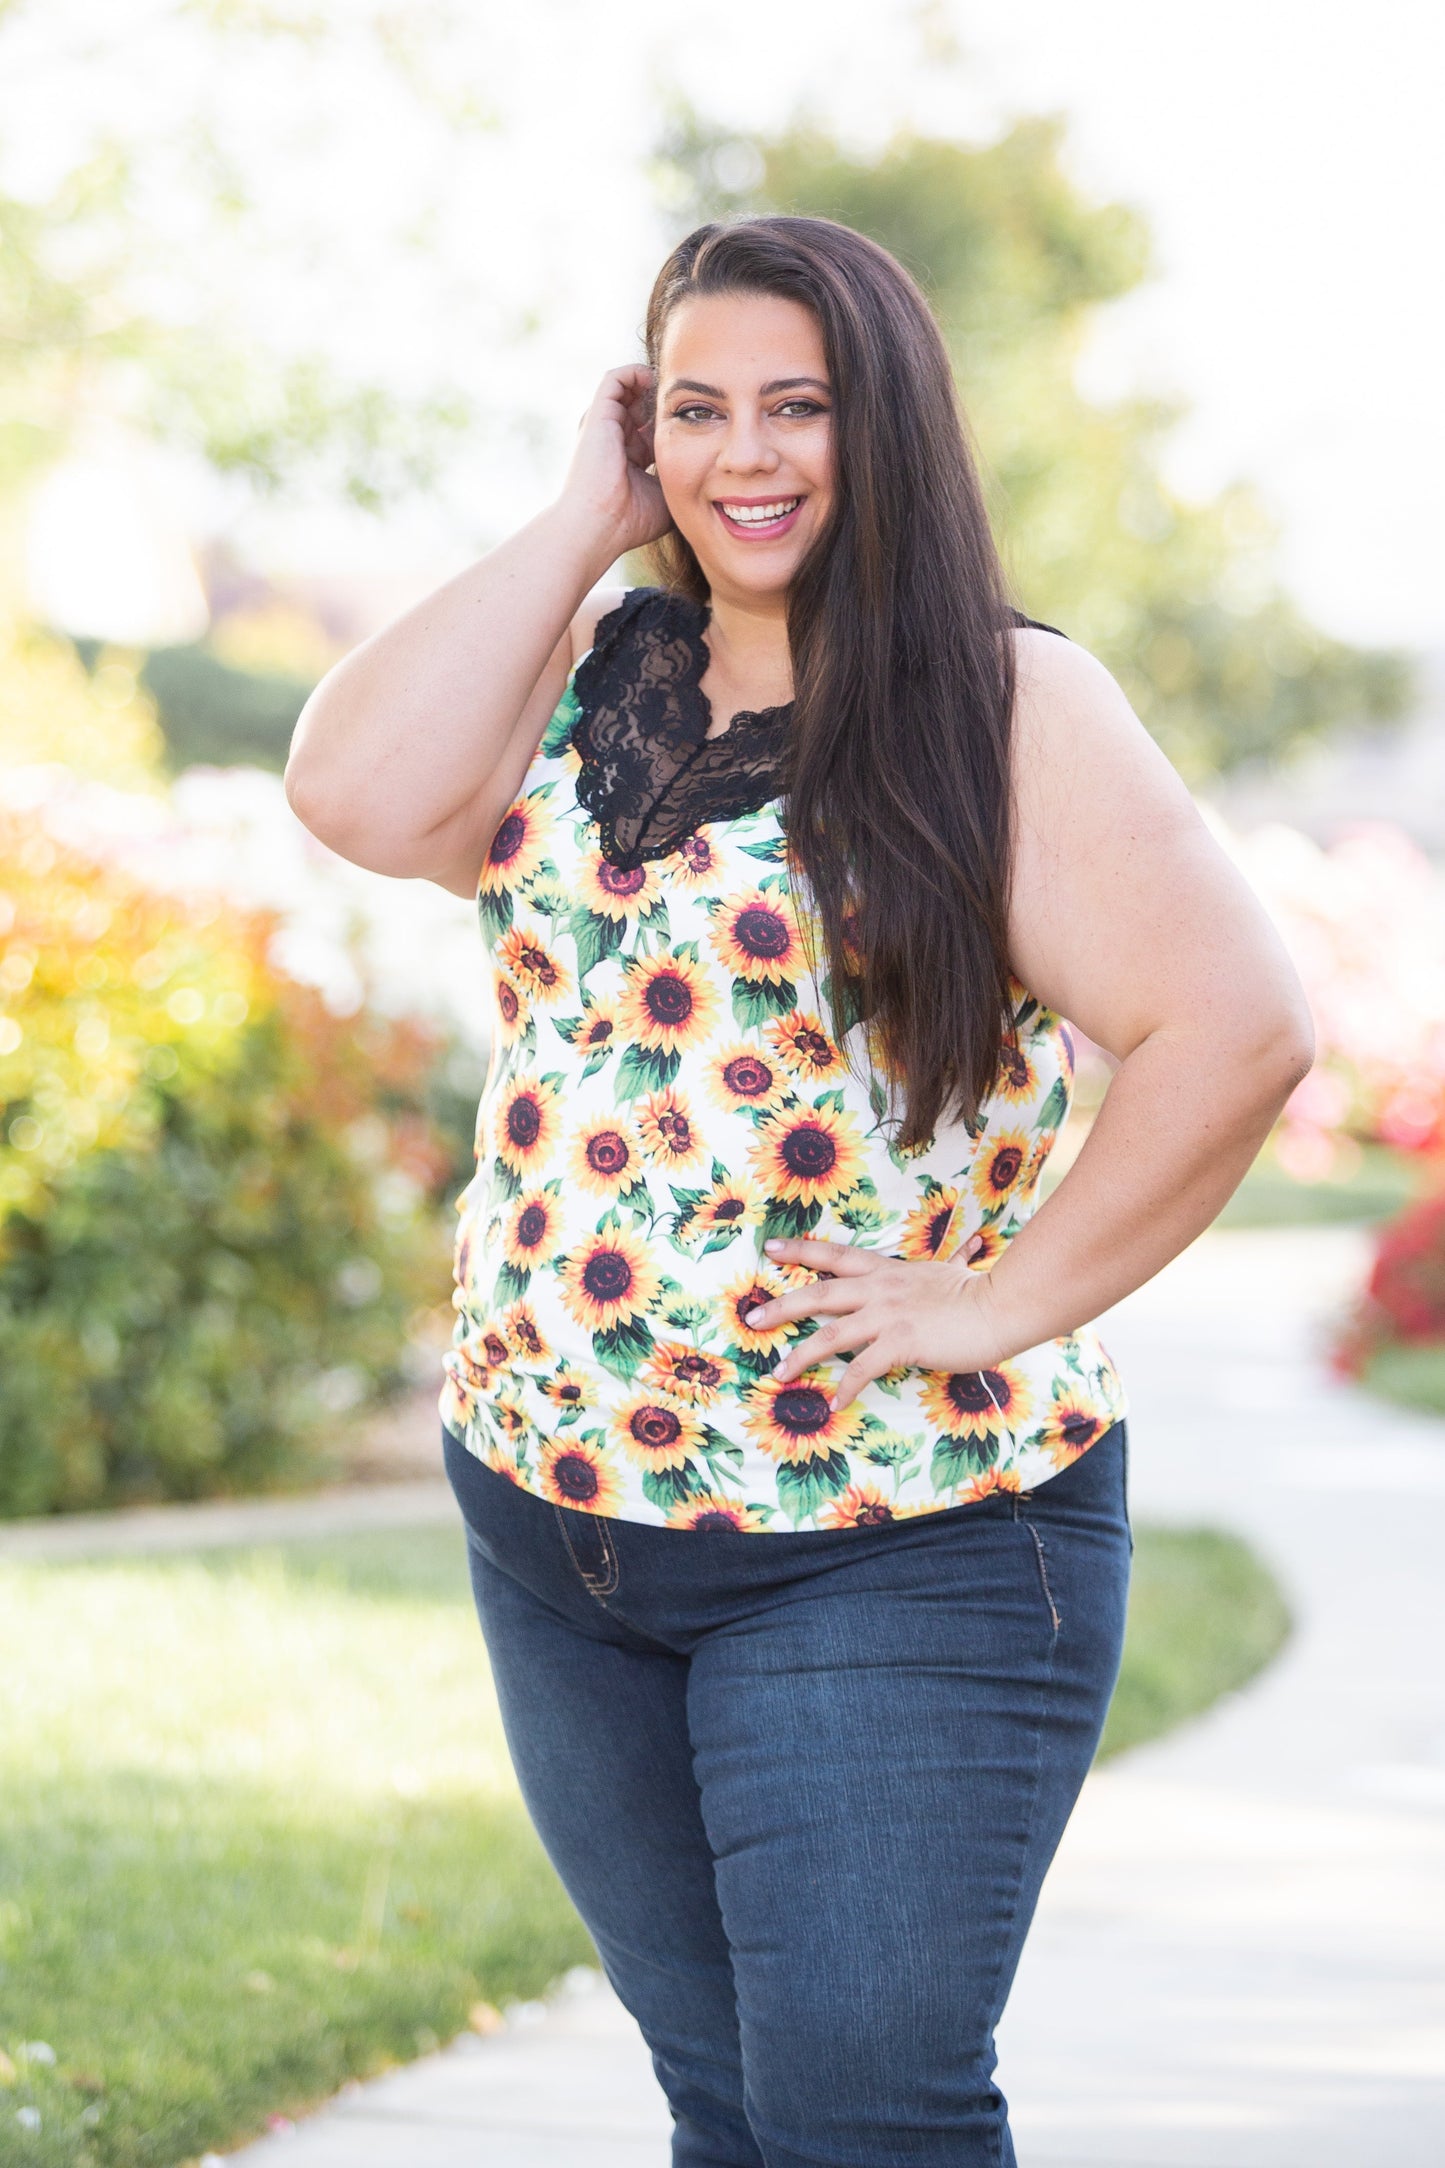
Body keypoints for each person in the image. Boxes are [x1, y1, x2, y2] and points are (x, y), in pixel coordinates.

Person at [284, 214, 1314, 2167]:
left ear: (885, 426)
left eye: (796, 406)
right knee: (731, 2113)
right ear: (640, 432)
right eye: (696, 411)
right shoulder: (589, 672)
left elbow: (1236, 1031)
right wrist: (582, 520)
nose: (745, 455)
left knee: (862, 2119)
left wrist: (1000, 1300)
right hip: (556, 1526)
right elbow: (353, 797)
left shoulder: (1004, 705)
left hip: (889, 1537)